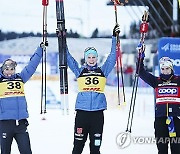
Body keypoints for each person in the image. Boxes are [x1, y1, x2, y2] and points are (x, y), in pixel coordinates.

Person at [66, 25, 120, 154]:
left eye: (93, 57)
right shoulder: (80, 71)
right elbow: (67, 57)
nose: (91, 59)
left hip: (97, 114)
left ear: (97, 58)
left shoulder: (103, 71)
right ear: (86, 58)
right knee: (78, 146)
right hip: (82, 114)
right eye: (89, 57)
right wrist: (62, 39)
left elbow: (113, 57)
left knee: (95, 147)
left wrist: (115, 38)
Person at [0, 42, 45, 154]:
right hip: (5, 124)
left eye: (12, 69)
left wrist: (40, 50)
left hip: (20, 124)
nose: (9, 72)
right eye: (7, 69)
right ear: (2, 69)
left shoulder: (20, 78)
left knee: (26, 151)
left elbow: (31, 66)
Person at [138, 44, 180, 154]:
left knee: (176, 149)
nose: (165, 71)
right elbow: (140, 72)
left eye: (167, 69)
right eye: (163, 69)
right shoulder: (156, 81)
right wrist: (140, 56)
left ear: (171, 68)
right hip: (160, 120)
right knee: (162, 149)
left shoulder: (178, 80)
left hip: (176, 120)